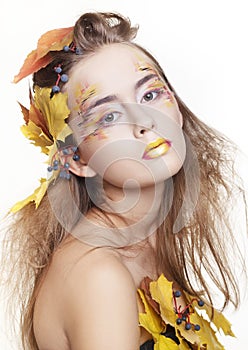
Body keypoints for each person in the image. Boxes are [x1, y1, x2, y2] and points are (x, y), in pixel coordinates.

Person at [1, 11, 247, 350]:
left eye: (149, 95)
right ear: (76, 158)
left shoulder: (147, 241)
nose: (145, 121)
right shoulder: (99, 276)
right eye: (110, 115)